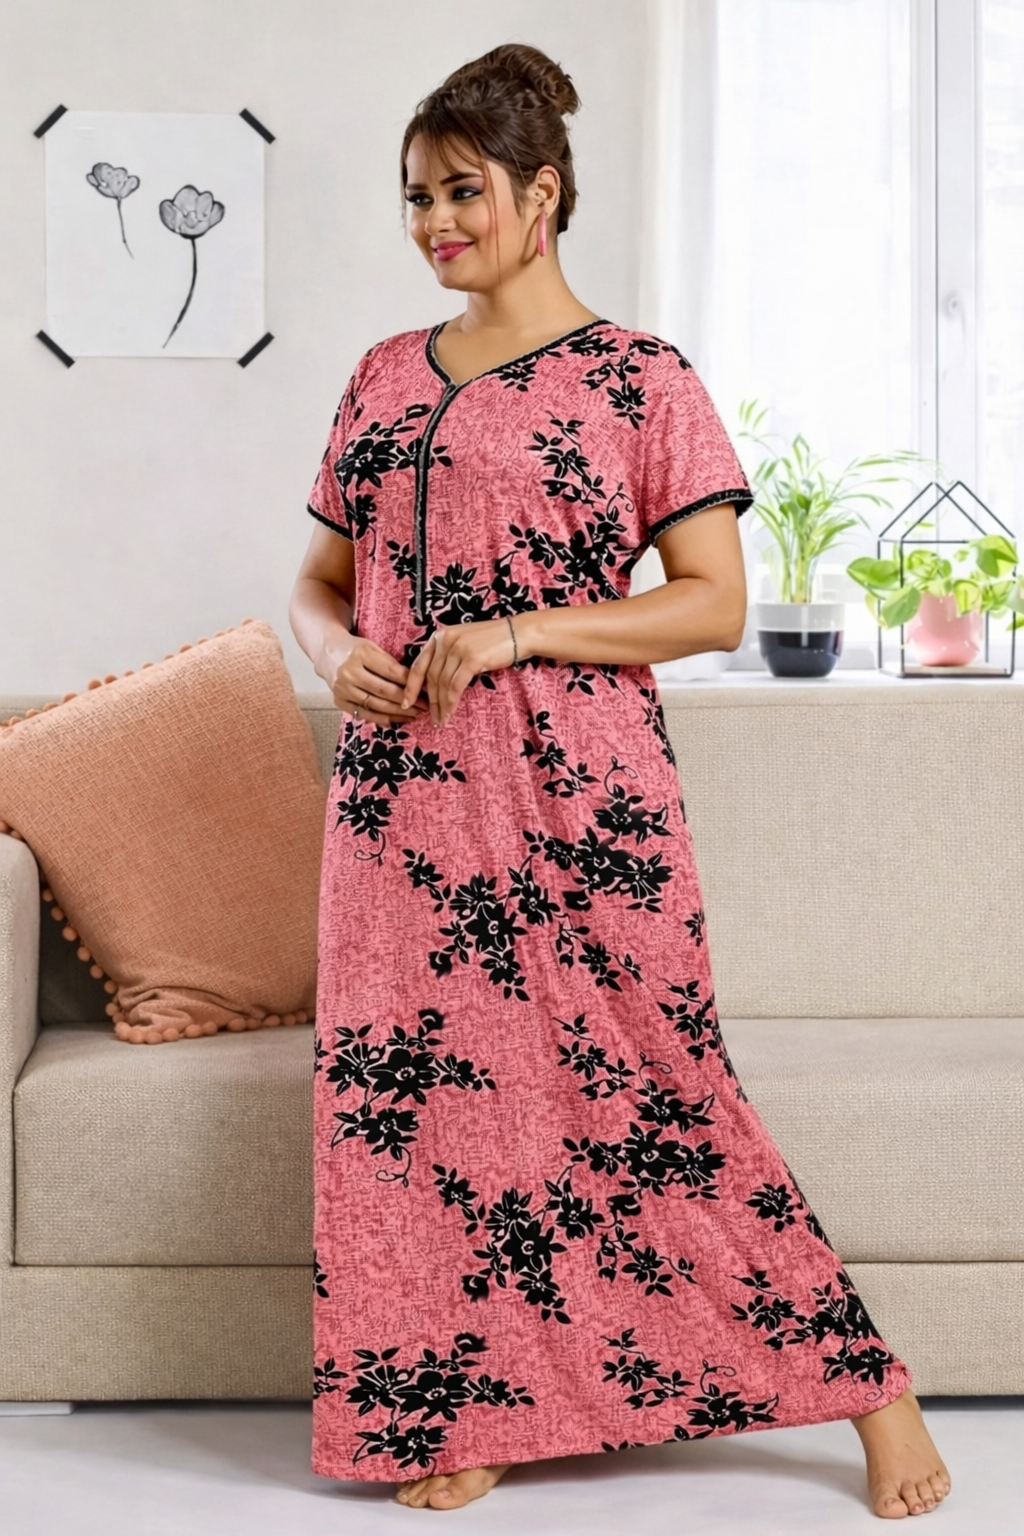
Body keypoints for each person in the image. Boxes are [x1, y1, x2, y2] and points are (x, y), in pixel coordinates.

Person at [288, 41, 952, 1522]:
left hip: (579, 797)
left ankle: (867, 1385)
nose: (435, 222)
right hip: (399, 804)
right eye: (416, 197)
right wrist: (337, 656)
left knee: (654, 1084)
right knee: (421, 1108)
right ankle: (470, 1406)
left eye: (463, 191)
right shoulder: (381, 377)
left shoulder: (642, 380)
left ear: (544, 194)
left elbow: (712, 602)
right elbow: (318, 584)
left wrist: (517, 631)